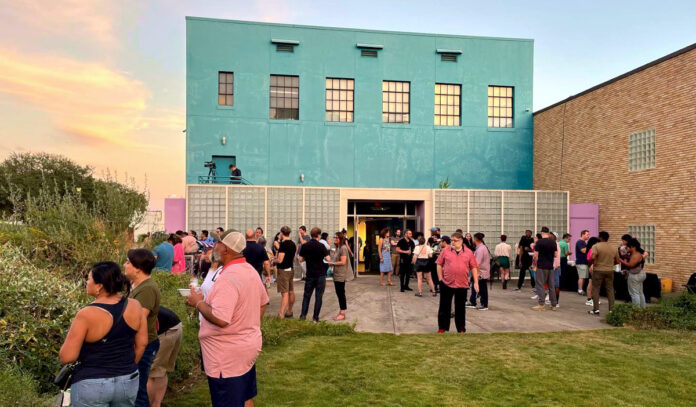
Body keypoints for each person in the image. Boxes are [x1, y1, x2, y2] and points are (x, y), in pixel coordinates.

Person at [186, 231, 268, 407]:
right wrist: (249, 327)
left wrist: (198, 302)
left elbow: (221, 318)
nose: (214, 245)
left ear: (226, 249)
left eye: (217, 242)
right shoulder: (249, 270)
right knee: (245, 397)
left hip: (226, 357)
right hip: (244, 348)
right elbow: (263, 302)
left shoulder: (229, 278)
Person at [60, 262, 147, 407]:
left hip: (92, 383)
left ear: (99, 286)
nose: (86, 283)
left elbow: (67, 357)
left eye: (89, 279)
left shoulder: (86, 314)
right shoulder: (134, 306)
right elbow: (142, 343)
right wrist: (125, 366)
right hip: (127, 380)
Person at [125, 249, 162, 407]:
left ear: (137, 268)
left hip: (144, 345)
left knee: (138, 390)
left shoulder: (147, 289)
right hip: (137, 343)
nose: (125, 265)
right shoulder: (136, 285)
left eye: (128, 262)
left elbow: (137, 319)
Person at [436, 232, 479, 333]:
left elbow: (474, 267)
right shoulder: (445, 251)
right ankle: (442, 327)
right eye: (451, 240)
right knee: (444, 306)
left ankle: (461, 329)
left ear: (461, 241)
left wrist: (476, 282)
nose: (453, 242)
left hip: (462, 284)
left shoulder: (468, 252)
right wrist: (440, 279)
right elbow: (439, 264)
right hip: (447, 283)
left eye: (455, 240)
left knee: (460, 308)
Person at [148, 306, 183, 407]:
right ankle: (156, 404)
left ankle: (150, 404)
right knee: (160, 370)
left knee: (150, 371)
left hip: (166, 330)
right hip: (174, 326)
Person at [299, 227, 330, 322]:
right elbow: (328, 259)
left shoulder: (305, 246)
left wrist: (308, 258)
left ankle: (303, 316)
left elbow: (301, 259)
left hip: (310, 274)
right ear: (318, 235)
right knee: (318, 297)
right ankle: (315, 318)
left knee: (307, 296)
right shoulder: (321, 246)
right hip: (320, 275)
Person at [588, 231, 618, 315]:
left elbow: (593, 257)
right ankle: (611, 309)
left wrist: (590, 264)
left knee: (596, 289)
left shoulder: (596, 246)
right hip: (609, 270)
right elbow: (618, 261)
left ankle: (596, 309)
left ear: (600, 237)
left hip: (598, 270)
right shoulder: (613, 247)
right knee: (610, 289)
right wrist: (611, 264)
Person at [328, 232, 354, 321]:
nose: (335, 238)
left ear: (341, 238)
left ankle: (342, 313)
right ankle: (341, 311)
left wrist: (332, 263)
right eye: (334, 237)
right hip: (337, 274)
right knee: (339, 293)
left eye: (336, 237)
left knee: (341, 294)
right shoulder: (338, 248)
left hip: (341, 275)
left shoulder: (343, 248)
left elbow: (343, 262)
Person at [532, 227, 558, 311]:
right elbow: (556, 255)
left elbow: (535, 255)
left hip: (541, 266)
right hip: (550, 267)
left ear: (542, 233)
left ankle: (541, 304)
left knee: (540, 285)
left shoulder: (539, 242)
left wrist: (535, 262)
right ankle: (553, 305)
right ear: (548, 233)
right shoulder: (553, 242)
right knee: (551, 286)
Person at [274, 226, 296, 318]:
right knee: (291, 291)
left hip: (283, 270)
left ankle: (281, 314)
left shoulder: (283, 245)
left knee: (284, 293)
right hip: (290, 269)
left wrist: (273, 260)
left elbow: (280, 260)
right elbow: (294, 258)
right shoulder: (293, 244)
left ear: (282, 233)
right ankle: (289, 311)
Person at [620, 238, 647, 308]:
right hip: (640, 274)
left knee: (634, 293)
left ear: (633, 247)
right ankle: (642, 308)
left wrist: (621, 260)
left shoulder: (636, 255)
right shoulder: (637, 254)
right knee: (640, 292)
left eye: (628, 247)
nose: (627, 248)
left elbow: (630, 265)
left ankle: (636, 309)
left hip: (635, 275)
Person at [469, 233, 490, 310]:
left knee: (482, 289)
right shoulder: (482, 247)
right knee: (479, 288)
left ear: (475, 239)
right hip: (483, 271)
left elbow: (477, 263)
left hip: (481, 272)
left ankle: (484, 304)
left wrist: (476, 273)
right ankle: (473, 302)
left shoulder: (480, 249)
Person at [585, 236, 600, 306]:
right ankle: (589, 299)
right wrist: (591, 266)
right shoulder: (591, 250)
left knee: (594, 284)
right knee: (591, 283)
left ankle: (594, 298)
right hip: (593, 268)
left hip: (594, 268)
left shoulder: (592, 249)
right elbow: (590, 259)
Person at [575, 230, 590, 295]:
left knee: (583, 277)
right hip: (581, 262)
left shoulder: (583, 242)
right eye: (587, 235)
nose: (588, 236)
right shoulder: (580, 242)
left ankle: (581, 289)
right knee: (581, 277)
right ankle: (580, 290)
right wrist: (590, 247)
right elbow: (583, 251)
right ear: (583, 235)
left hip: (583, 262)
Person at [427, 227, 442, 293]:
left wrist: (435, 252)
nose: (434, 238)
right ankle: (433, 286)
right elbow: (428, 247)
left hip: (438, 259)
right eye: (433, 237)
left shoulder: (440, 242)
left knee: (437, 272)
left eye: (435, 237)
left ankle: (438, 286)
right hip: (432, 259)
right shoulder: (430, 240)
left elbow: (441, 251)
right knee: (433, 273)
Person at [550, 232, 562, 306]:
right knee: (552, 285)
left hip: (555, 267)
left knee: (556, 285)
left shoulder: (555, 245)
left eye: (551, 235)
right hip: (554, 267)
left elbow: (556, 257)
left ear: (555, 237)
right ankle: (553, 300)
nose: (550, 236)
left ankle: (556, 301)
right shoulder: (555, 244)